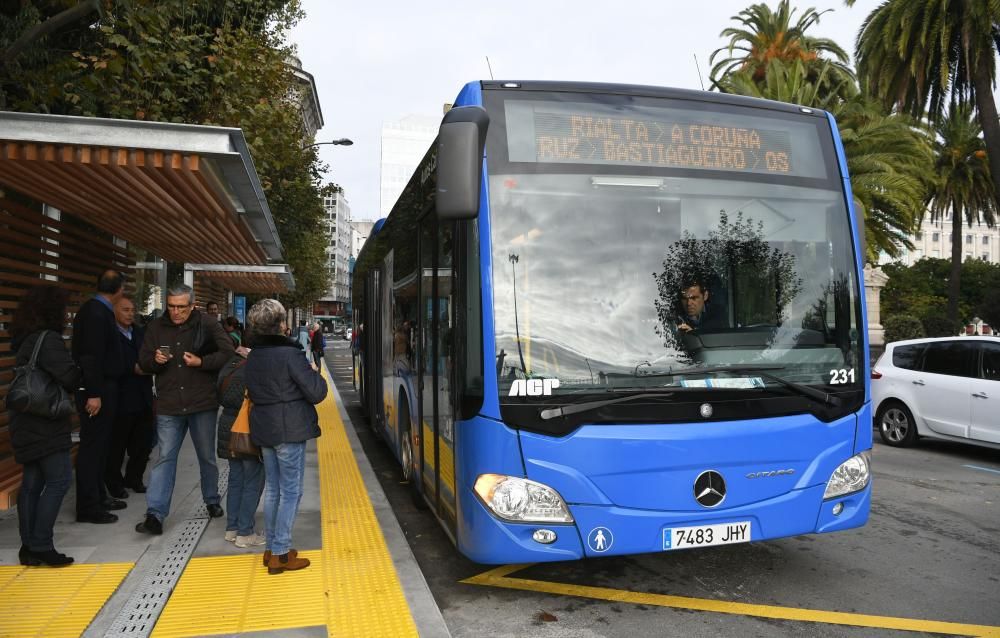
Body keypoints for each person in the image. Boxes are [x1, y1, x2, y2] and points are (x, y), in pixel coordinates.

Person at [135, 284, 235, 535]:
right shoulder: (156, 327)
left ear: (192, 306)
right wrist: (154, 361)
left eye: (181, 307)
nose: (176, 312)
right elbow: (143, 362)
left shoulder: (208, 324)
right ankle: (155, 515)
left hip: (202, 402)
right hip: (169, 403)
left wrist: (202, 362)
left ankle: (211, 499)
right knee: (165, 458)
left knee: (206, 456)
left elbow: (228, 353)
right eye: (171, 306)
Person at [244, 299, 327, 574]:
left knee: (274, 490)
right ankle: (281, 553)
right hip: (289, 429)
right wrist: (316, 374)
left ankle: (271, 549)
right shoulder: (290, 355)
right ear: (281, 325)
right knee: (291, 491)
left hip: (264, 428)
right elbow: (316, 393)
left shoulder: (254, 354)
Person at [9, 285, 81, 566]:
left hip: (24, 421)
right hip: (45, 422)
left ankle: (28, 547)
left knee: (32, 483)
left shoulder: (24, 338)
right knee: (59, 479)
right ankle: (41, 545)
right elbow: (69, 377)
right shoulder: (47, 340)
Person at [72, 269, 127, 524]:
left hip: (104, 387)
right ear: (119, 289)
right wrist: (94, 393)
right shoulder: (96, 313)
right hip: (97, 390)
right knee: (93, 447)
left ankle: (99, 496)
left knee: (102, 445)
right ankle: (88, 506)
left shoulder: (96, 310)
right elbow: (90, 357)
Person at [216, 345, 265, 548]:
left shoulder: (231, 364)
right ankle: (245, 532)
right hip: (247, 429)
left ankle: (232, 528)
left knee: (235, 480)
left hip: (228, 428)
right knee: (253, 479)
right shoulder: (257, 367)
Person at [106, 296, 154, 498]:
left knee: (143, 444)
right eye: (125, 310)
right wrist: (132, 368)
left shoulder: (139, 333)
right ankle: (114, 483)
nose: (130, 313)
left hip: (143, 396)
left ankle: (134, 478)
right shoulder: (108, 335)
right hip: (121, 398)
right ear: (114, 311)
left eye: (132, 309)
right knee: (117, 446)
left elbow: (148, 355)